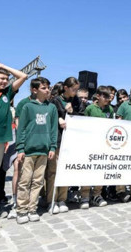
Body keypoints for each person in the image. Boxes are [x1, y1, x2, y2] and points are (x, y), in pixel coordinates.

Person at [0, 62, 27, 224]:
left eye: (7, 79)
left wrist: (3, 66)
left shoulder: (7, 94)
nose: (5, 81)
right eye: (1, 78)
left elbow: (23, 76)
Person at [14, 77, 57, 224]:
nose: (47, 90)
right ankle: (21, 210)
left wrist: (52, 146)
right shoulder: (28, 107)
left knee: (38, 181)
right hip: (28, 151)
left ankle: (32, 208)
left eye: (48, 87)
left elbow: (53, 129)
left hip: (44, 151)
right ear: (34, 90)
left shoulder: (51, 108)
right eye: (44, 88)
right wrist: (20, 148)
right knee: (25, 181)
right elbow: (21, 129)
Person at [79, 86, 114, 209]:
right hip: (90, 143)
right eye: (104, 96)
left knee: (101, 169)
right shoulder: (90, 108)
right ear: (98, 96)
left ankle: (97, 195)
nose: (107, 99)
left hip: (104, 144)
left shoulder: (110, 109)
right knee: (89, 169)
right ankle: (84, 195)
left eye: (108, 97)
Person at [44, 78, 71, 213]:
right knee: (53, 171)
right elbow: (50, 119)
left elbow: (79, 116)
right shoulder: (54, 102)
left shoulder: (75, 101)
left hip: (69, 141)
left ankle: (62, 198)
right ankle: (51, 199)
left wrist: (71, 111)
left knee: (65, 170)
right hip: (57, 140)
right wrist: (60, 117)